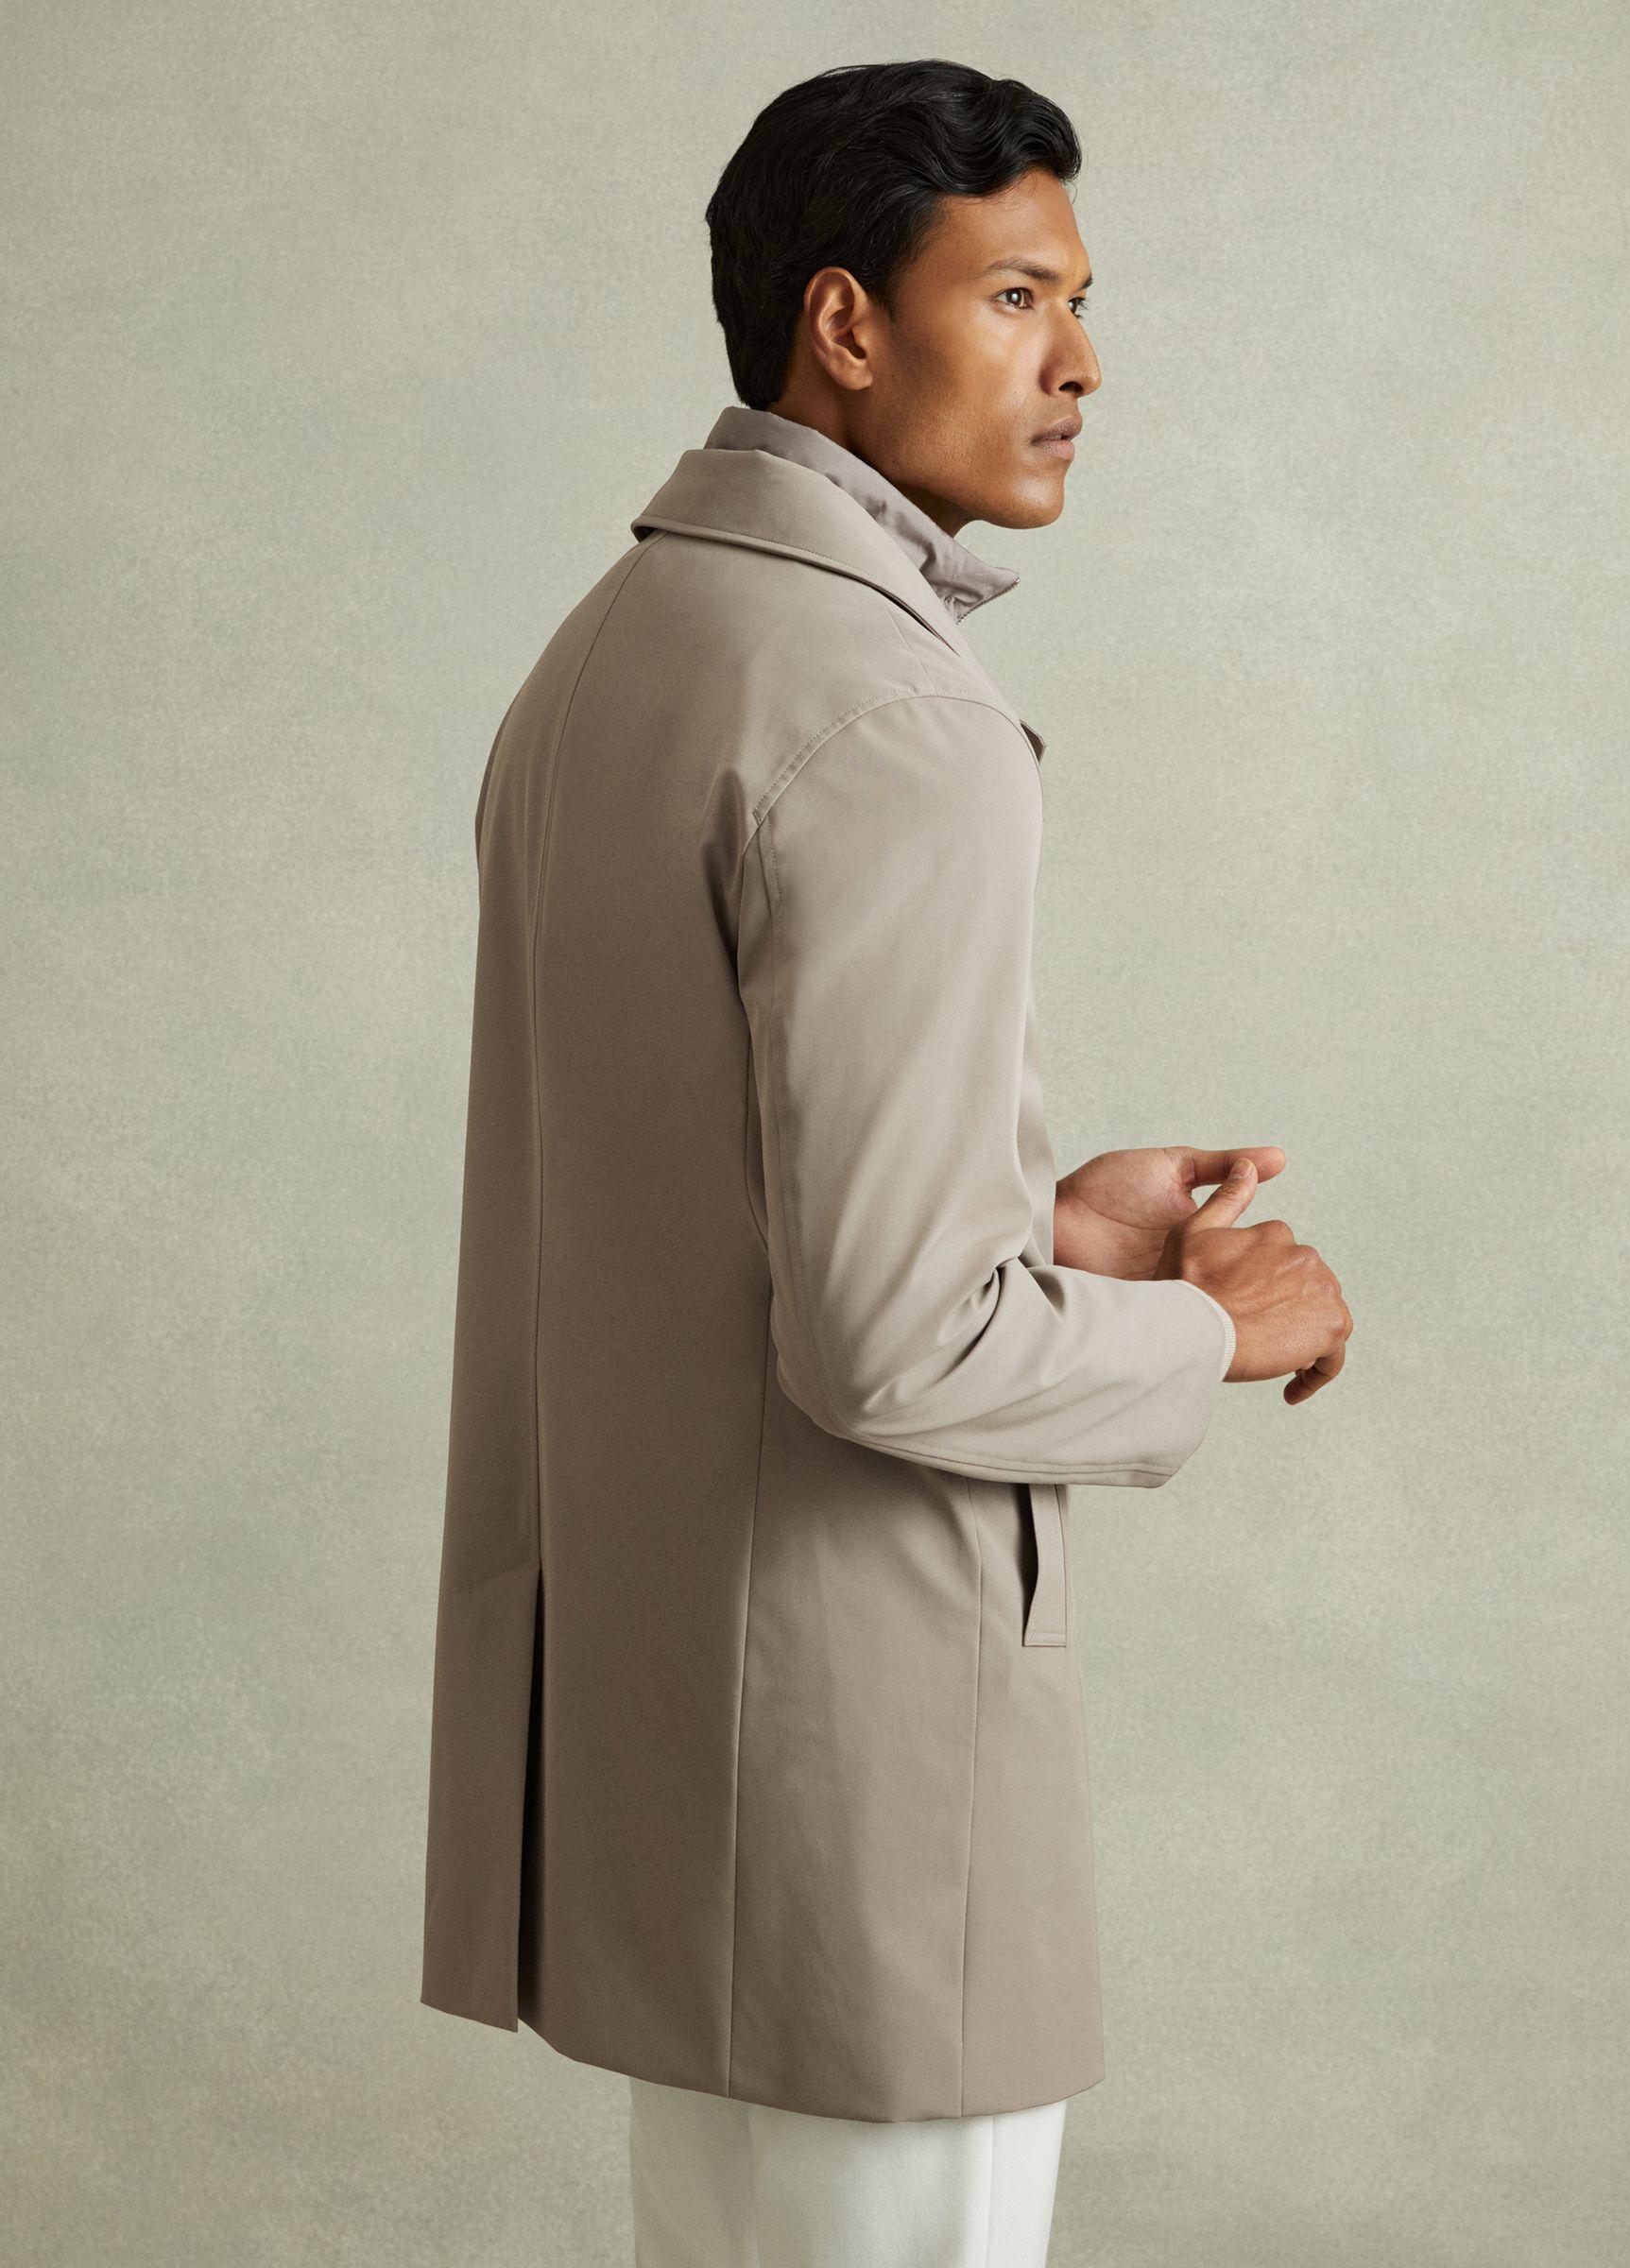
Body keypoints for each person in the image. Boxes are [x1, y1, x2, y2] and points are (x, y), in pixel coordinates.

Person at [420, 58, 1352, 2268]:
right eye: (1019, 296)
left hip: (670, 1757)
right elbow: (899, 1348)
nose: (1083, 363)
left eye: (1082, 301)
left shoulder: (616, 653)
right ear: (843, 322)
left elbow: (685, 1215)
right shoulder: (895, 713)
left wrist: (1049, 1226)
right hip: (864, 1783)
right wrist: (1204, 1332)